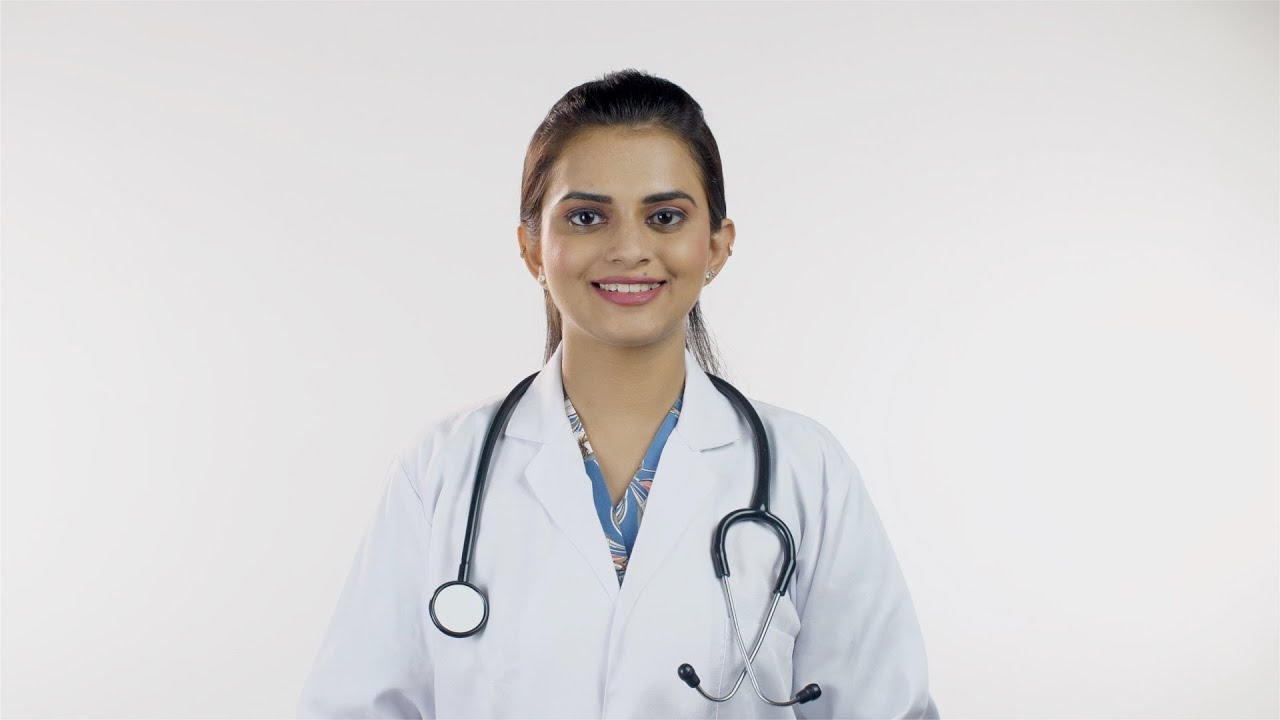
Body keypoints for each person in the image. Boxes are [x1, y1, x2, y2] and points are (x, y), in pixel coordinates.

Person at [297, 68, 939, 719]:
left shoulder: (807, 471)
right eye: (586, 217)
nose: (629, 248)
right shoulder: (439, 473)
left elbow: (882, 706)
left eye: (664, 217)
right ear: (531, 249)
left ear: (717, 245)